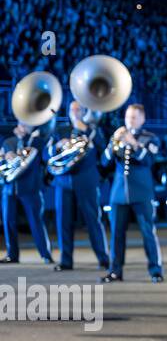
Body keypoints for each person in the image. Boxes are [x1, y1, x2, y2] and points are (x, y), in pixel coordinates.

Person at [102, 104, 164, 283]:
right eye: (128, 117)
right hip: (119, 193)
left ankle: (155, 270)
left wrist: (134, 143)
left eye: (135, 117)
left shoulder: (150, 138)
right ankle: (115, 271)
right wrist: (113, 142)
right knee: (116, 234)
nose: (130, 120)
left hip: (142, 192)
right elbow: (105, 162)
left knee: (148, 232)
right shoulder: (118, 138)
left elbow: (149, 160)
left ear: (142, 119)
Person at [46, 101, 110, 271]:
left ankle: (103, 258)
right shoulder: (61, 131)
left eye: (78, 109)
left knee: (93, 220)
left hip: (86, 181)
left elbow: (103, 149)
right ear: (68, 112)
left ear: (83, 112)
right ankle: (66, 261)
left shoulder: (93, 129)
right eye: (72, 109)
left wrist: (87, 130)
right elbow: (48, 153)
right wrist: (58, 146)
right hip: (63, 182)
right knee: (63, 222)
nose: (75, 112)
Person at [2, 121, 52, 264]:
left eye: (26, 124)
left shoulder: (37, 142)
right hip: (9, 187)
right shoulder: (9, 141)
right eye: (21, 124)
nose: (23, 126)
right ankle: (12, 254)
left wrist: (25, 139)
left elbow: (44, 156)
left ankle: (45, 254)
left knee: (36, 221)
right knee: (8, 222)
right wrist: (9, 154)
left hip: (30, 188)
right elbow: (6, 155)